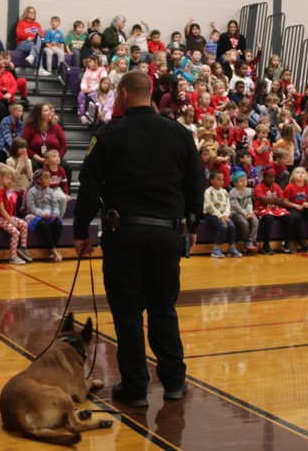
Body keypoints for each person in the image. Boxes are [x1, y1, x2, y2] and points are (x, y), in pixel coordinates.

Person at [72, 71, 204, 409]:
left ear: (125, 94)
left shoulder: (108, 134)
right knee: (163, 308)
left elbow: (89, 187)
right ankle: (174, 382)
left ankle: (135, 388)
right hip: (167, 235)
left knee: (128, 313)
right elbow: (195, 185)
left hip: (124, 234)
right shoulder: (180, 134)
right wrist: (192, 225)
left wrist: (80, 231)